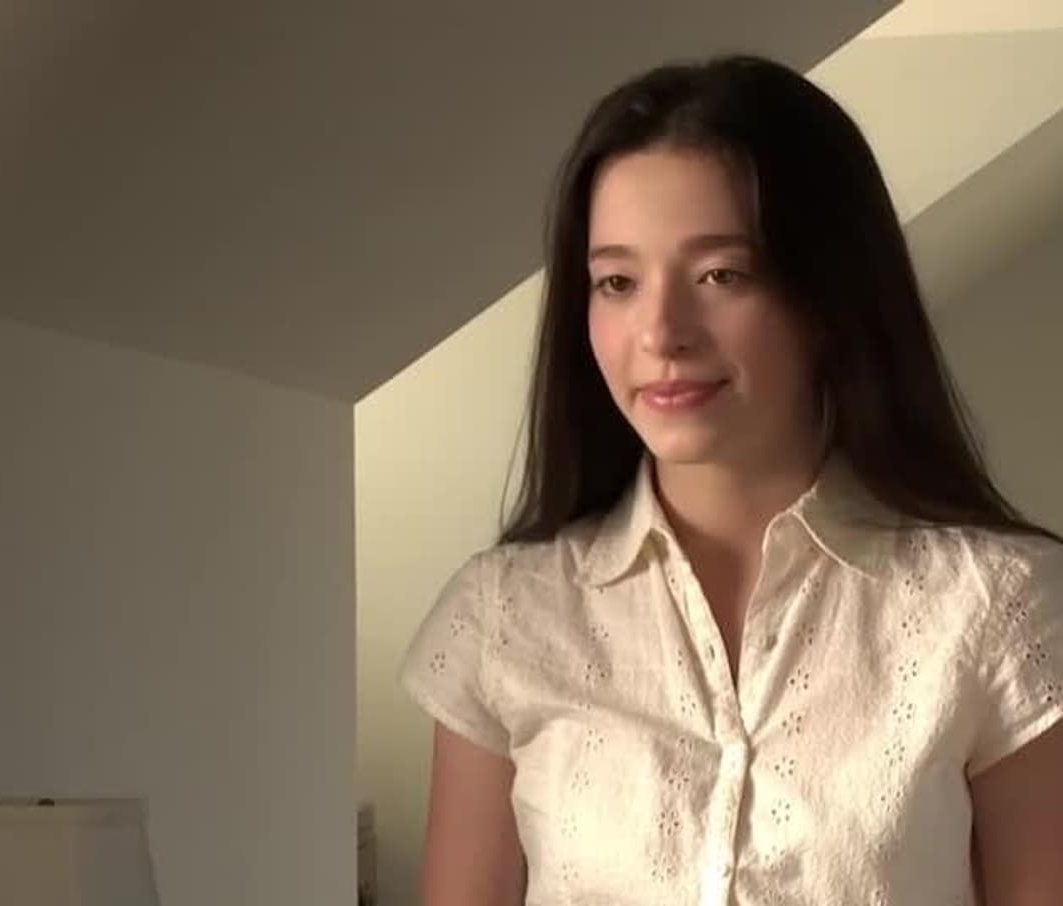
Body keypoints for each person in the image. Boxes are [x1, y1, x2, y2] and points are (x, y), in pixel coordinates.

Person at [399, 54, 1063, 906]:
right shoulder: (503, 617)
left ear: (829, 294)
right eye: (617, 282)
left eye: (720, 275)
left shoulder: (998, 607)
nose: (661, 332)